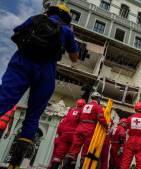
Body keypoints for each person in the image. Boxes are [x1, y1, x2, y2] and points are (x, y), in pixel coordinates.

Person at [2, 3, 79, 168]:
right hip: (45, 71)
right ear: (67, 18)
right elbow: (74, 58)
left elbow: (16, 33)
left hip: (20, 63)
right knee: (33, 117)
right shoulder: (66, 31)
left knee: (3, 101)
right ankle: (14, 164)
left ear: (49, 12)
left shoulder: (35, 19)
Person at [62, 92, 107, 168]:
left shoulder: (84, 106)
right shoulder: (98, 107)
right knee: (86, 150)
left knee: (73, 149)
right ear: (98, 99)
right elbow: (101, 118)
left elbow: (77, 118)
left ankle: (66, 166)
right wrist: (106, 126)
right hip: (89, 129)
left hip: (79, 128)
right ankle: (82, 166)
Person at [48, 99, 86, 169]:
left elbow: (61, 126)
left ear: (77, 104)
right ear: (84, 105)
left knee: (58, 155)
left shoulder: (70, 111)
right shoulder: (82, 113)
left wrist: (60, 134)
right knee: (71, 155)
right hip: (74, 136)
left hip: (64, 135)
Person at [121, 102, 141, 169]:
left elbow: (126, 128)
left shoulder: (130, 118)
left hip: (130, 141)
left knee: (125, 163)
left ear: (135, 109)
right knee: (140, 164)